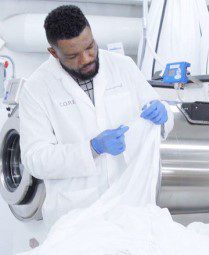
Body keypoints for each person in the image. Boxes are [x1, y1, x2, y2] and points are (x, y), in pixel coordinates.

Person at [19, 5, 173, 225]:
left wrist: (164, 113)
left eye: (90, 47)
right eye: (73, 55)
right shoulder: (36, 89)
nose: (86, 59)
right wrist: (91, 149)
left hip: (130, 205)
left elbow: (157, 111)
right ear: (53, 53)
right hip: (75, 213)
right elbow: (36, 159)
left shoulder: (123, 67)